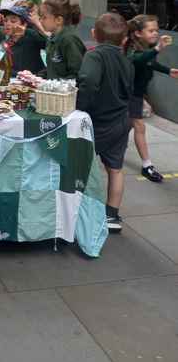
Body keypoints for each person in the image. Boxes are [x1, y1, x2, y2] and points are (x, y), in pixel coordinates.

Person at [76, 12, 134, 233]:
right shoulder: (126, 60)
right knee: (115, 169)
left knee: (83, 165)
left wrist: (79, 106)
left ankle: (81, 209)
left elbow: (88, 82)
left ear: (94, 34)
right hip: (120, 119)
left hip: (97, 121)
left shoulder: (94, 56)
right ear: (124, 39)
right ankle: (112, 216)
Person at [126, 15, 178, 183]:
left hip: (137, 93)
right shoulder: (132, 49)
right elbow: (139, 60)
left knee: (125, 126)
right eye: (151, 30)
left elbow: (149, 63)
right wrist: (157, 48)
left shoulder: (147, 47)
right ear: (138, 33)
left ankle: (103, 148)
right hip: (129, 94)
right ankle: (147, 165)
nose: (155, 33)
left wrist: (168, 70)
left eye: (156, 30)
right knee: (139, 127)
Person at [39, 0, 86, 79]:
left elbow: (77, 73)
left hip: (66, 90)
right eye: (40, 17)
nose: (40, 21)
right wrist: (37, 77)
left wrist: (59, 86)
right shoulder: (52, 38)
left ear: (58, 20)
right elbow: (52, 69)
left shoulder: (69, 39)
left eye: (44, 17)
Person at [0, 3, 47, 76]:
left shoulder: (31, 35)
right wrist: (18, 74)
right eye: (5, 21)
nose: (7, 24)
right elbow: (2, 67)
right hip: (16, 82)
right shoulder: (5, 41)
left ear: (24, 24)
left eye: (13, 21)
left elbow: (50, 44)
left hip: (36, 79)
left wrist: (37, 24)